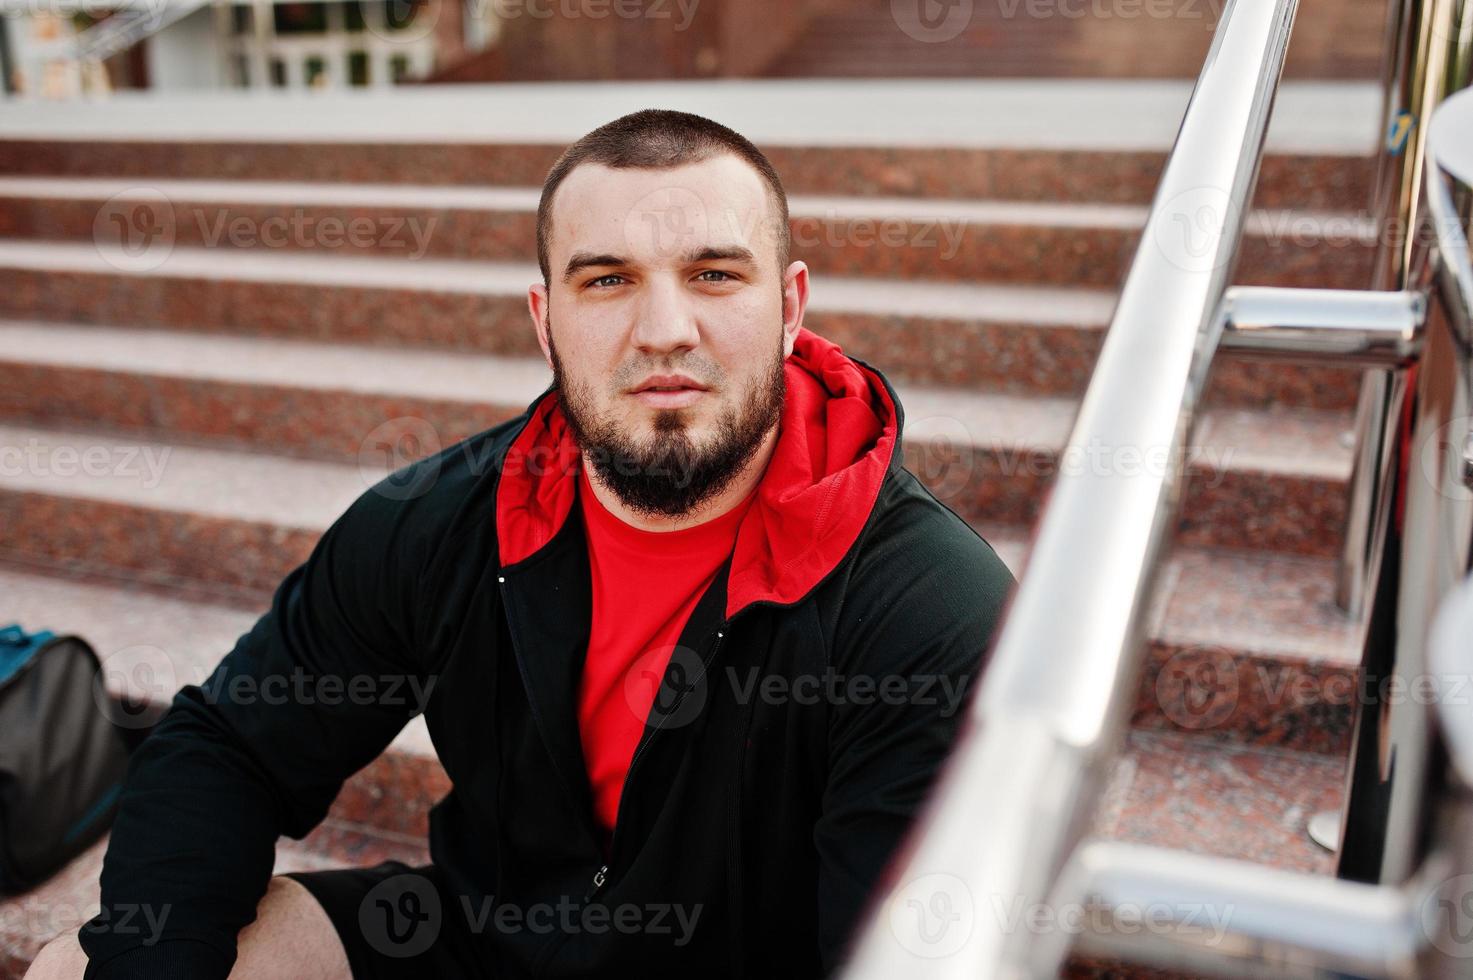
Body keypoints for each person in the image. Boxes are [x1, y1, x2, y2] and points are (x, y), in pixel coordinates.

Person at [29, 108, 1014, 980]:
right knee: (80, 963)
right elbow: (230, 746)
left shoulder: (923, 605)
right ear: (546, 320)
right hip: (482, 942)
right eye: (608, 280)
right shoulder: (444, 517)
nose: (665, 327)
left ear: (790, 308)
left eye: (715, 274)